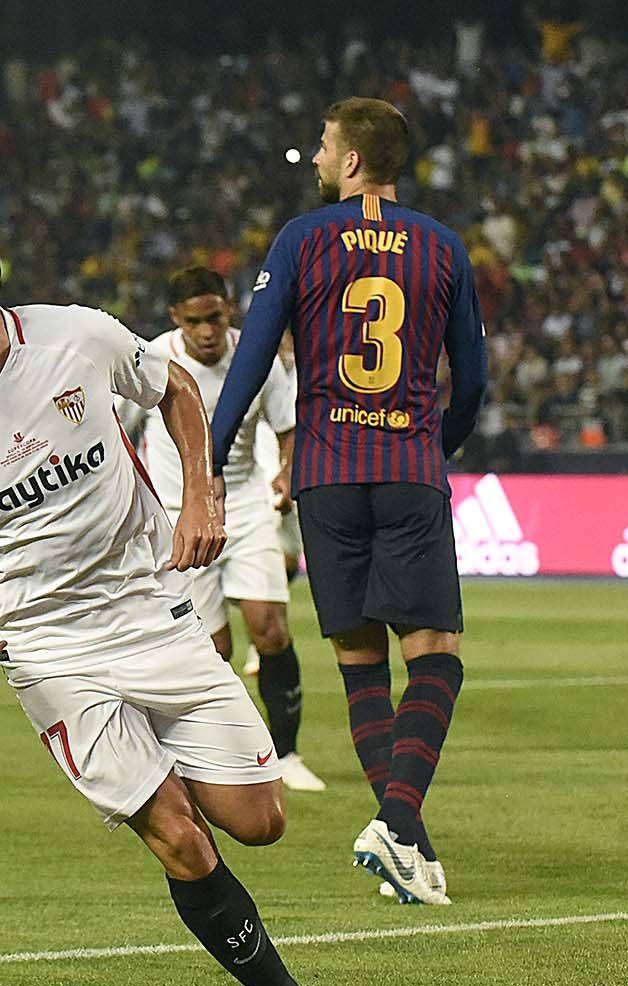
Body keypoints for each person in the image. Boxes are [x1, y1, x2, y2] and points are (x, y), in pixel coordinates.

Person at [0, 204, 333, 986]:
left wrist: (202, 493)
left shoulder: (77, 338)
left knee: (260, 819)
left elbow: (177, 389)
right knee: (180, 838)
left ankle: (152, 778)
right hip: (46, 651)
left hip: (149, 611)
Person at [211, 99, 486, 905]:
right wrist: (440, 443)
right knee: (435, 652)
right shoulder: (443, 246)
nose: (320, 158)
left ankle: (409, 844)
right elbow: (470, 381)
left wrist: (211, 456)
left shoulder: (302, 239)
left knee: (360, 664)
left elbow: (254, 358)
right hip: (408, 466)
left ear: (355, 161)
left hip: (326, 476)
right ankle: (400, 828)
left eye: (327, 147)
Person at [135, 266, 327, 794]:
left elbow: (286, 427)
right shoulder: (150, 361)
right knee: (211, 650)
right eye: (194, 321)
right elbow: (119, 435)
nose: (206, 331)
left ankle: (286, 752)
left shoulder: (256, 354)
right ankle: (222, 755)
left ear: (229, 310)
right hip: (180, 515)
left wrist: (287, 473)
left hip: (244, 504)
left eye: (215, 318)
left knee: (270, 629)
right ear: (176, 318)